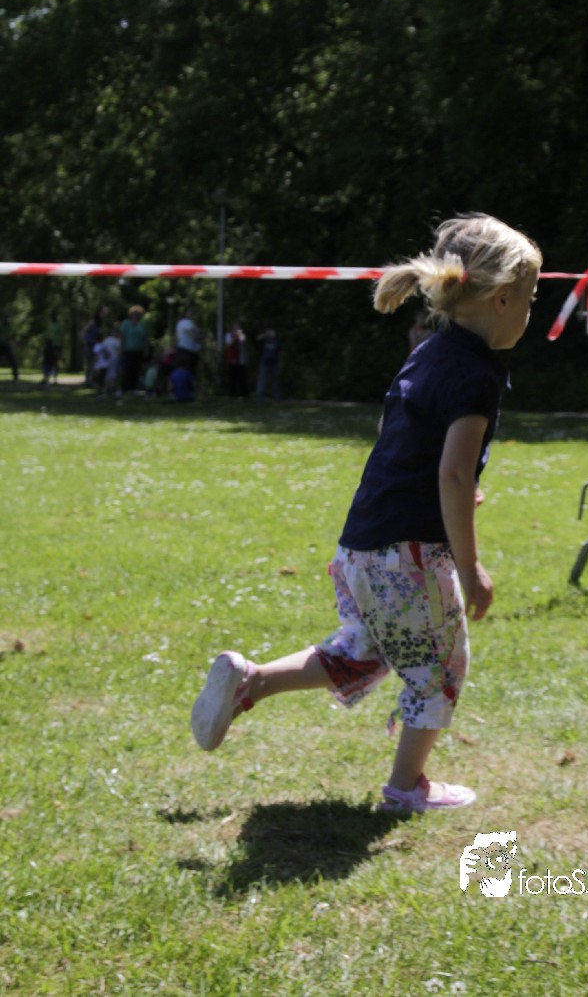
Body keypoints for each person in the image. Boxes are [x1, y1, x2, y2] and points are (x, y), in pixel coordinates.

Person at [191, 213, 542, 812]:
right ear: (503, 298)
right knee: (440, 667)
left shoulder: (427, 351)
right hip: (410, 555)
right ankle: (407, 788)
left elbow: (396, 433)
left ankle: (251, 681)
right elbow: (454, 474)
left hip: (361, 545)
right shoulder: (478, 375)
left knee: (366, 649)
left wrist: (442, 489)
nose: (530, 312)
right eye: (530, 300)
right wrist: (471, 566)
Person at [119, 305, 149, 393]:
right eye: (134, 313)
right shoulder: (126, 324)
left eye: (138, 313)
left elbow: (145, 339)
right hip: (128, 350)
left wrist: (146, 350)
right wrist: (121, 349)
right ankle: (124, 388)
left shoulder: (143, 325)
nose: (136, 315)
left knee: (136, 369)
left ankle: (134, 388)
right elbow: (122, 337)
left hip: (139, 350)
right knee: (127, 369)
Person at [175, 305, 203, 376]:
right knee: (189, 375)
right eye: (190, 312)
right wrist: (201, 336)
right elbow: (195, 337)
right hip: (188, 353)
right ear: (186, 313)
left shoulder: (181, 323)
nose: (193, 314)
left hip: (183, 351)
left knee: (183, 374)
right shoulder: (188, 323)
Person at [255, 327, 281, 401]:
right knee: (262, 380)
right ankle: (260, 396)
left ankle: (277, 396)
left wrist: (280, 364)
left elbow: (280, 353)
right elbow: (257, 339)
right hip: (264, 363)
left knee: (275, 380)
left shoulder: (277, 341)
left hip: (274, 363)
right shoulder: (265, 340)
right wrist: (266, 334)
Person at [225, 320, 248, 398]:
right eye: (235, 327)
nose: (236, 328)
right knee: (232, 377)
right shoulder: (228, 335)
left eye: (238, 327)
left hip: (240, 359)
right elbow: (229, 345)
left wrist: (239, 334)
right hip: (232, 359)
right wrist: (235, 338)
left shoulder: (242, 335)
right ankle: (232, 393)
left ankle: (243, 394)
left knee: (241, 377)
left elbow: (243, 341)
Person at [41, 310, 65, 385]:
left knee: (55, 362)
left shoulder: (60, 325)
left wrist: (61, 347)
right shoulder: (49, 324)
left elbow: (62, 336)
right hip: (49, 345)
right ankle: (46, 378)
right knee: (46, 362)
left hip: (57, 346)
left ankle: (55, 379)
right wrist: (45, 344)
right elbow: (46, 335)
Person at [0, 308, 19, 381]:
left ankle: (16, 376)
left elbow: (13, 335)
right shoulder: (1, 326)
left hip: (6, 345)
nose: (6, 319)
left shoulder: (11, 326)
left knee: (13, 360)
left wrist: (14, 342)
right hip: (0, 344)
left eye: (7, 317)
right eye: (5, 317)